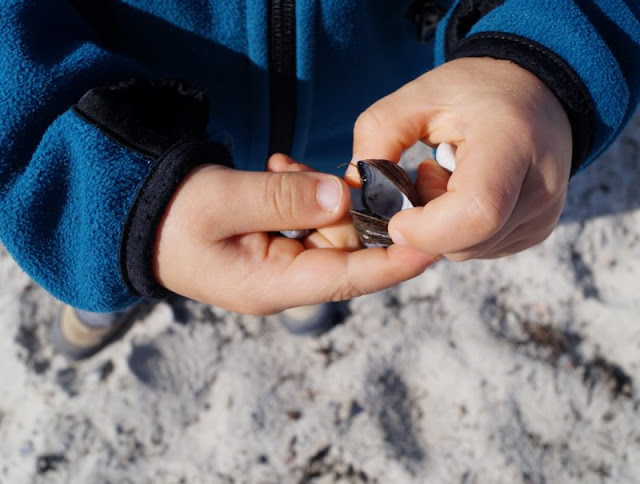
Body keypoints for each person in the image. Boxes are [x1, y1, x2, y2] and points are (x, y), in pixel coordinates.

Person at [1, 0, 639, 358]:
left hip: (364, 106)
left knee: (327, 236)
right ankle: (106, 284)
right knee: (108, 242)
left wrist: (541, 63)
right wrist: (90, 189)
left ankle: (307, 284)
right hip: (119, 130)